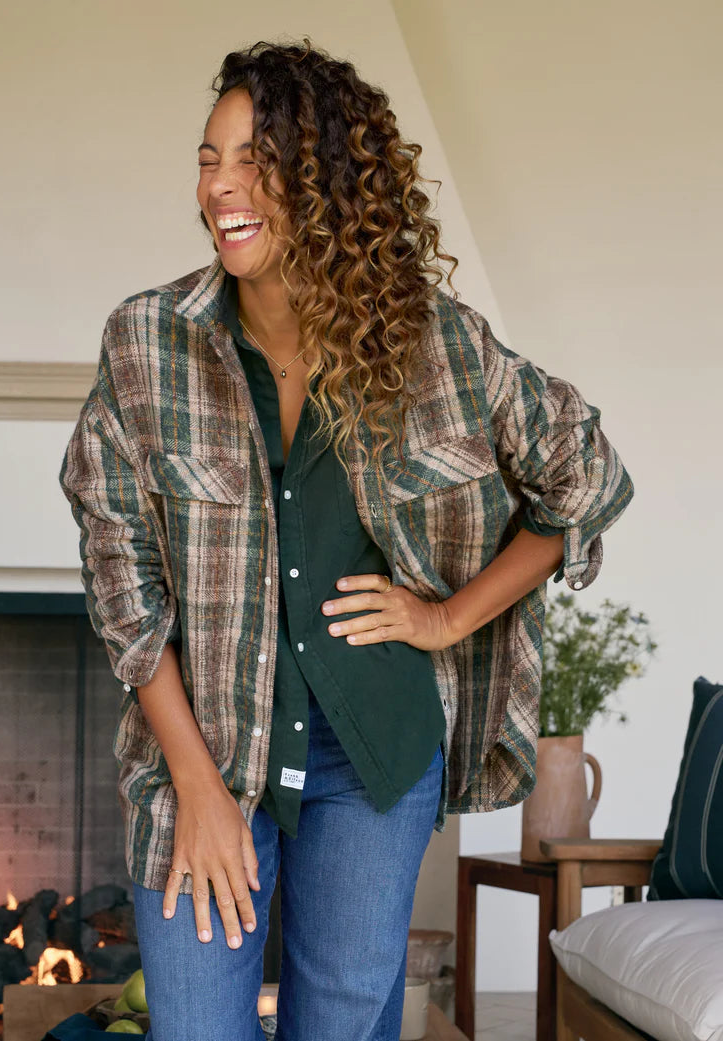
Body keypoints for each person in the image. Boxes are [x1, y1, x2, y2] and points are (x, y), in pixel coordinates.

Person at [59, 37, 633, 1041]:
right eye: (208, 158)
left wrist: (445, 616)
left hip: (369, 754)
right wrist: (194, 786)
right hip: (206, 750)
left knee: (340, 1027)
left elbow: (583, 478)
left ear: (323, 183)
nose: (220, 188)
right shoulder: (147, 343)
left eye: (255, 162)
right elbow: (123, 579)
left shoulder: (435, 347)